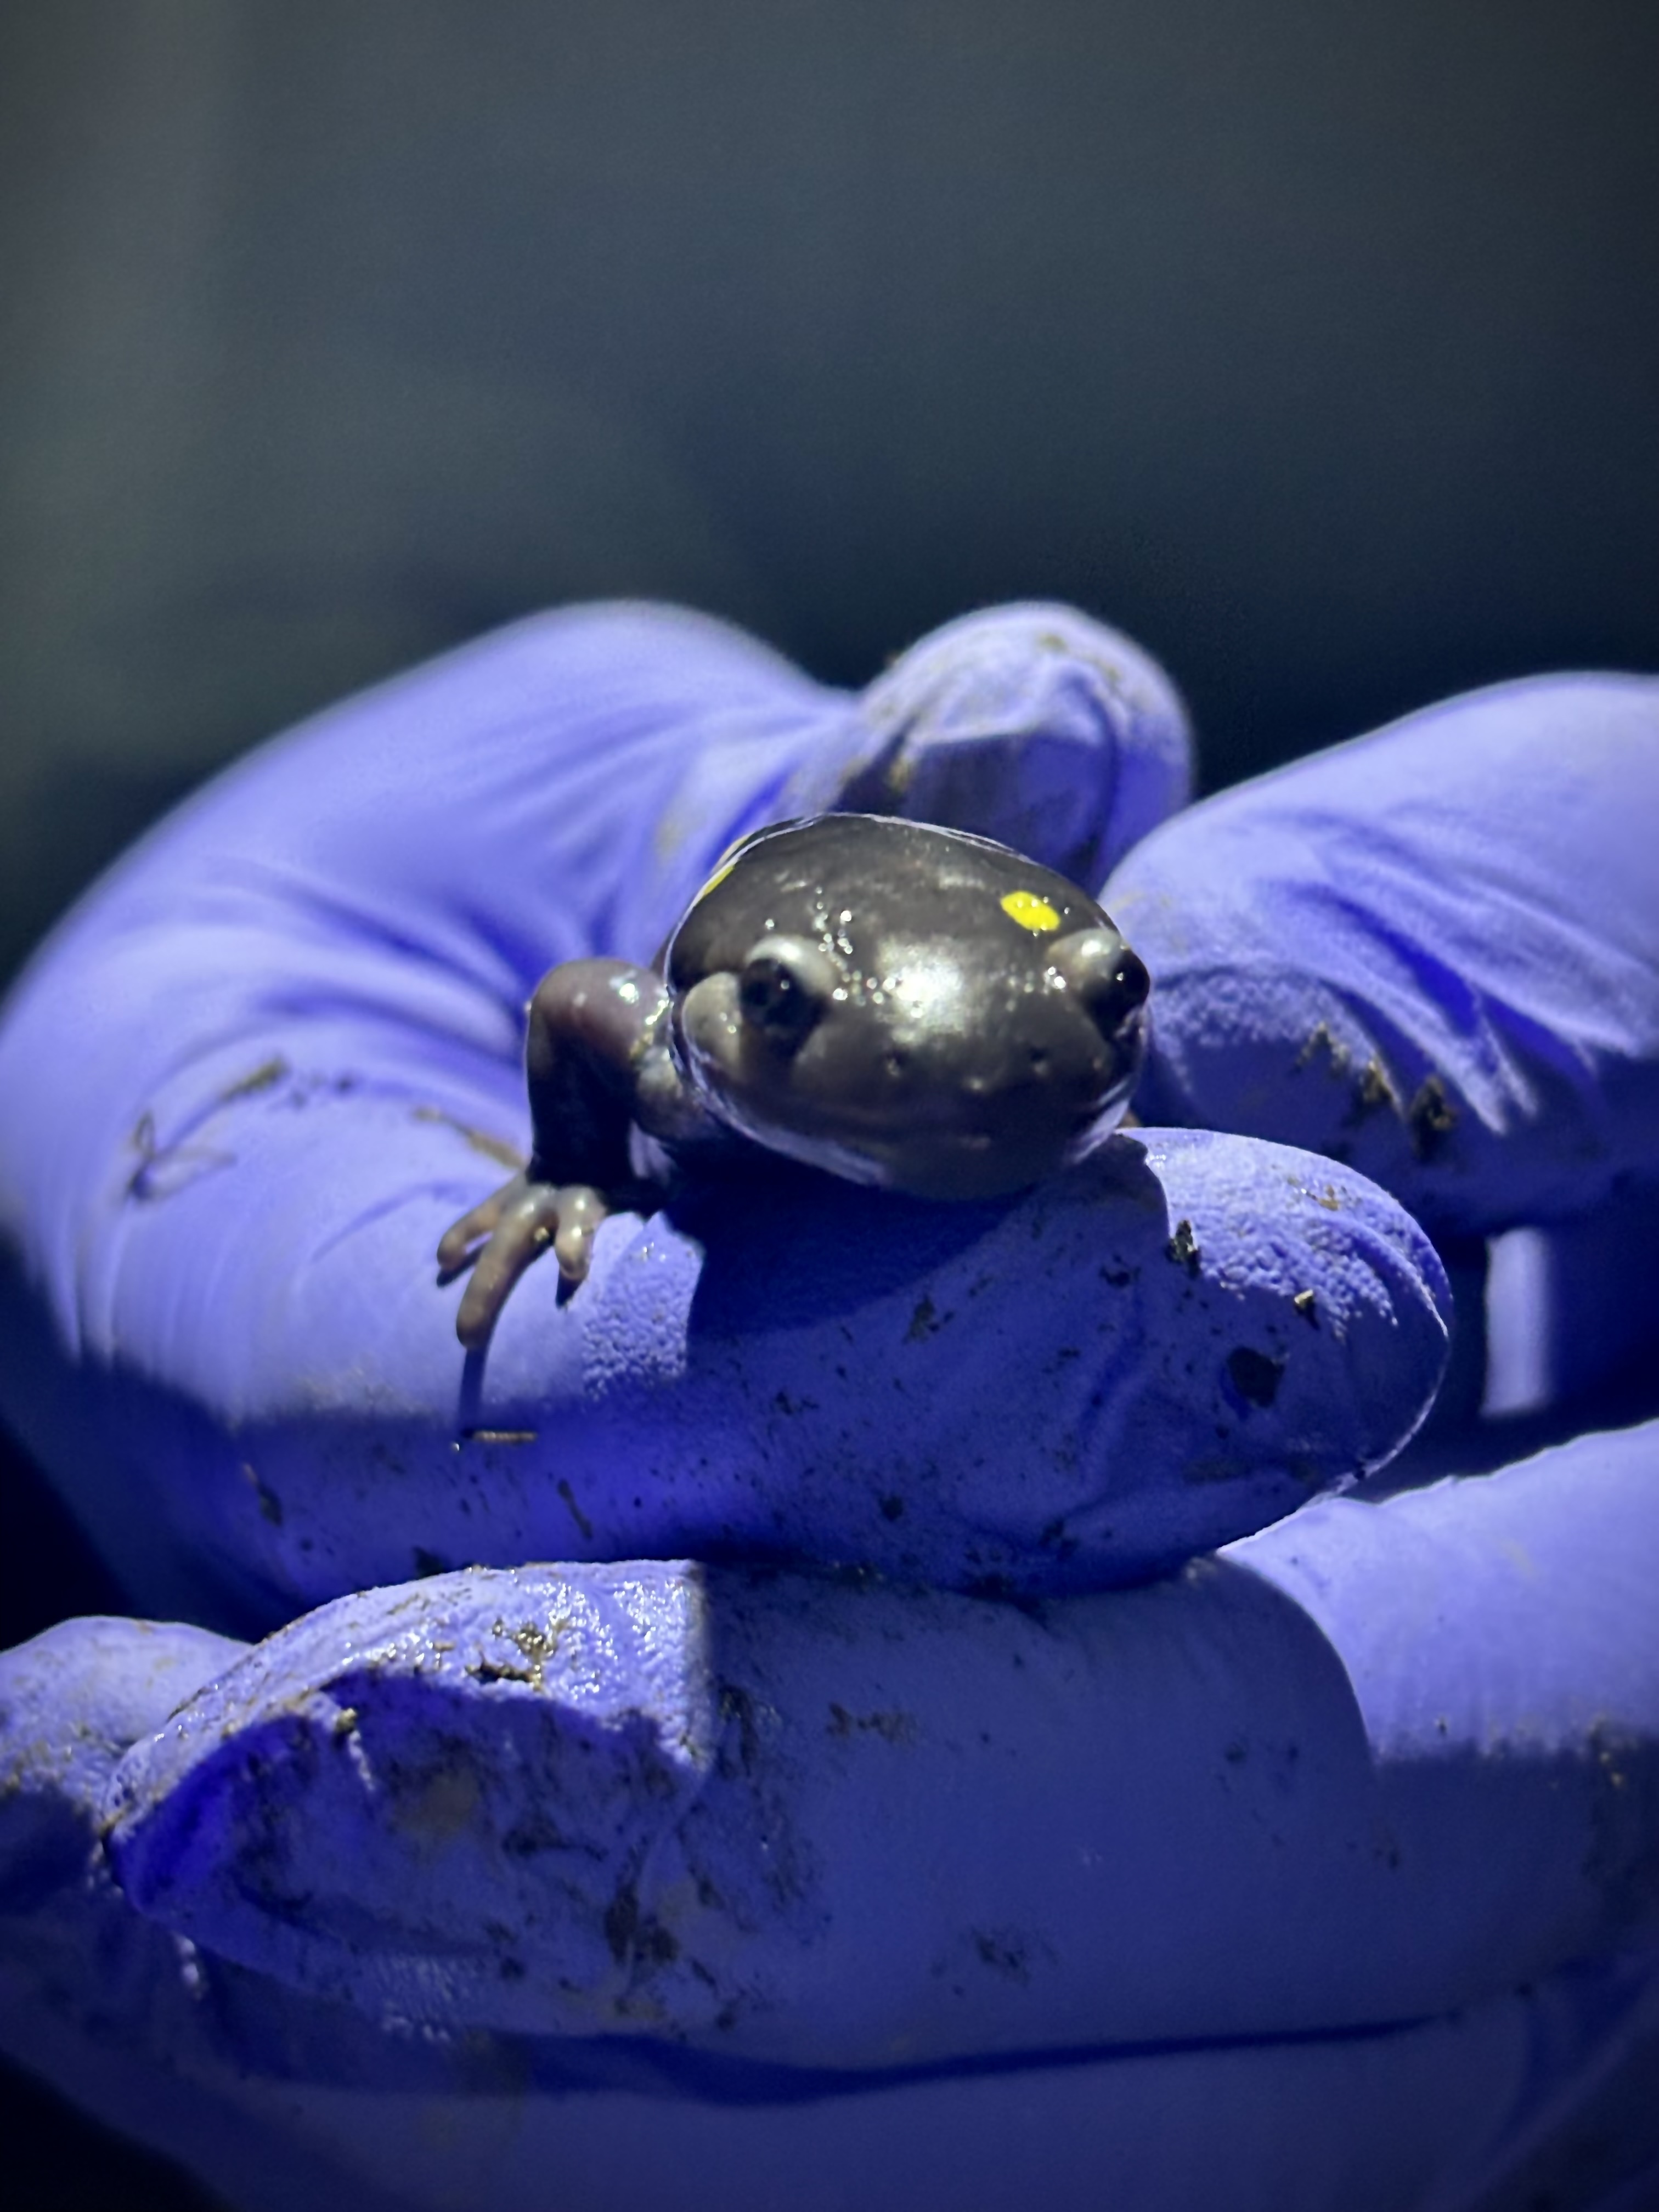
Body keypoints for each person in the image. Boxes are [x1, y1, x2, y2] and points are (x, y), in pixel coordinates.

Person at [1, 604, 1654, 2211]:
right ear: (726, 1013)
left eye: (1107, 1004)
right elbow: (583, 1002)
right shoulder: (673, 1055)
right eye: (778, 1009)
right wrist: (560, 1180)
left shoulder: (1122, 1094)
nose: (973, 1081)